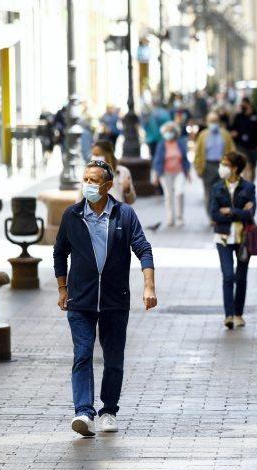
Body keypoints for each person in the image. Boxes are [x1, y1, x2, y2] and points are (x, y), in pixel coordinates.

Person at [54, 160, 157, 437]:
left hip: (115, 300)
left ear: (108, 185)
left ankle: (109, 410)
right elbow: (59, 252)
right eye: (85, 179)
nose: (88, 185)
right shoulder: (72, 215)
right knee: (83, 354)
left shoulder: (124, 215)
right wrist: (63, 289)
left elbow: (143, 249)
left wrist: (149, 286)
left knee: (113, 358)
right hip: (81, 300)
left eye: (94, 180)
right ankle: (83, 413)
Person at [209, 152, 256, 330]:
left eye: (225, 164)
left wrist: (228, 211)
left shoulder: (249, 187)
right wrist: (238, 212)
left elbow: (251, 214)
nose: (222, 167)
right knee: (228, 276)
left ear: (235, 168)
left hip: (244, 238)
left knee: (241, 277)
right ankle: (228, 315)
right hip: (222, 237)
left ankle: (238, 315)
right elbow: (213, 214)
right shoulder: (217, 187)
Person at [196, 112, 236, 215]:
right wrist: (198, 168)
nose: (213, 123)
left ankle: (221, 213)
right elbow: (198, 153)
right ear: (207, 122)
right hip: (208, 165)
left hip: (222, 165)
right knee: (209, 192)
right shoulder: (203, 135)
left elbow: (232, 150)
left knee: (223, 191)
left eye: (215, 121)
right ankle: (211, 215)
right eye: (211, 121)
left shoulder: (225, 134)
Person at [152, 121, 191, 227]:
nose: (169, 133)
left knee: (180, 192)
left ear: (175, 132)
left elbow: (185, 159)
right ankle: (170, 218)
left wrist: (188, 173)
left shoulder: (180, 143)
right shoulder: (161, 145)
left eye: (171, 131)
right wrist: (155, 175)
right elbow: (157, 161)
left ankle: (180, 217)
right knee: (169, 195)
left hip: (179, 172)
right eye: (167, 131)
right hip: (165, 173)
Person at [229, 97, 257, 182]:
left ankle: (250, 184)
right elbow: (232, 128)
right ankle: (246, 186)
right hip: (242, 146)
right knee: (246, 165)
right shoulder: (238, 116)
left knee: (253, 168)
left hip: (254, 146)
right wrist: (233, 133)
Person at [91, 140, 135, 205]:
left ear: (108, 154)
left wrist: (128, 190)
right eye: (93, 155)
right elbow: (80, 202)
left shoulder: (123, 172)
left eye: (97, 155)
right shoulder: (88, 174)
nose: (94, 158)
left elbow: (131, 201)